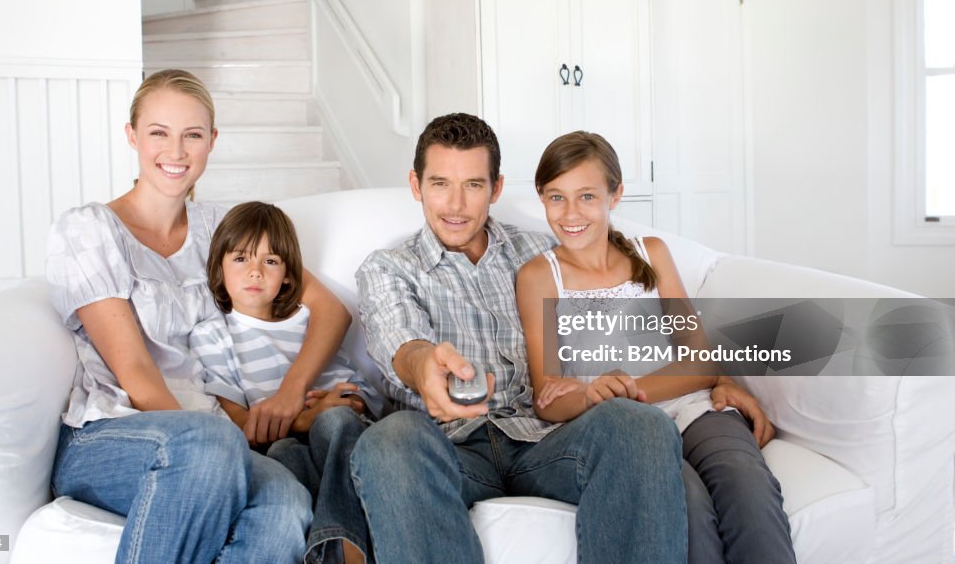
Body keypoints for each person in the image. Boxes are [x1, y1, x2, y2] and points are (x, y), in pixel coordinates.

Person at [351, 113, 687, 564]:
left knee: (639, 424)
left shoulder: (541, 253)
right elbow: (400, 338)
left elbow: (626, 295)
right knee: (387, 439)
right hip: (448, 447)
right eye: (439, 184)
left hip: (546, 439)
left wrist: (718, 374)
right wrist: (423, 364)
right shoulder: (389, 267)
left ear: (496, 188)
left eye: (473, 185)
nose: (455, 204)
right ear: (416, 185)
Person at [45, 69, 351, 564]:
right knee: (209, 445)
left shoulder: (222, 229)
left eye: (192, 135)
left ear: (212, 141)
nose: (177, 151)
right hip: (113, 434)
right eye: (158, 133)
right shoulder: (89, 230)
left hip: (215, 435)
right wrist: (220, 440)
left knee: (287, 502)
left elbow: (331, 310)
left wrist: (291, 393)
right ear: (132, 136)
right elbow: (138, 374)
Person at [516, 130, 795, 564]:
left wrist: (627, 388)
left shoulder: (652, 254)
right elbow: (547, 399)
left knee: (750, 491)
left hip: (695, 409)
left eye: (587, 196)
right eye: (556, 197)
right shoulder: (539, 276)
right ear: (541, 196)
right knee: (688, 507)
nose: (571, 213)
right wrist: (592, 396)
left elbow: (699, 361)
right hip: (628, 432)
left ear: (616, 194)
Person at [190, 200, 384, 564]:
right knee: (282, 455)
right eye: (240, 259)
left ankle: (344, 552)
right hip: (282, 444)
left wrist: (325, 413)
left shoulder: (306, 320)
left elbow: (357, 399)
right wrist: (301, 420)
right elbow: (240, 427)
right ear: (218, 268)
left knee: (336, 421)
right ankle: (341, 544)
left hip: (345, 432)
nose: (254, 272)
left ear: (289, 276)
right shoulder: (212, 337)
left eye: (270, 261)